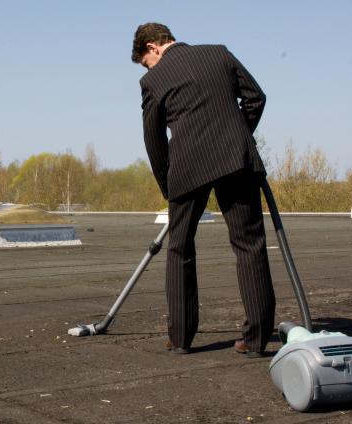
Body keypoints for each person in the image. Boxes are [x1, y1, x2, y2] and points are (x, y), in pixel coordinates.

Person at [131, 23, 276, 357]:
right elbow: (256, 98)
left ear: (153, 47)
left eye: (145, 61)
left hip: (186, 168)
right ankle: (255, 341)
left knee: (180, 248)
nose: (148, 69)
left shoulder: (152, 81)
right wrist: (238, 135)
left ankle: (181, 338)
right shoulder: (219, 53)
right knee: (250, 244)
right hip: (236, 160)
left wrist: (168, 185)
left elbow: (153, 141)